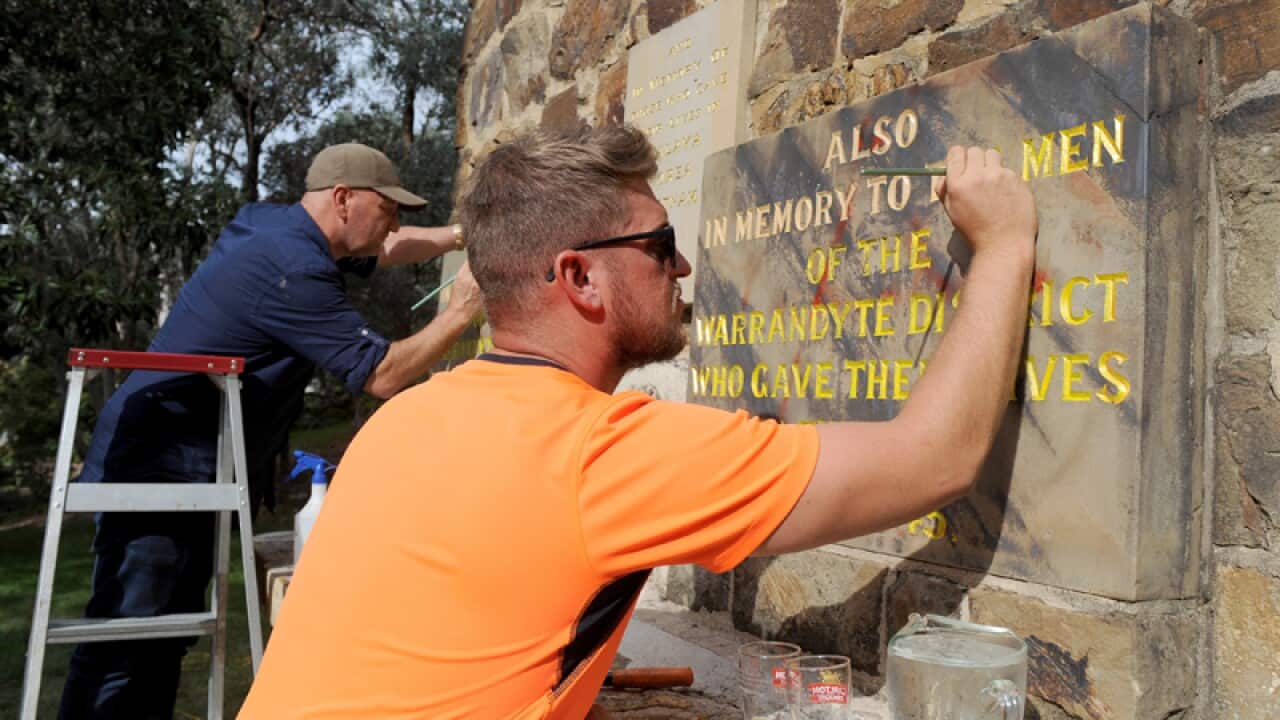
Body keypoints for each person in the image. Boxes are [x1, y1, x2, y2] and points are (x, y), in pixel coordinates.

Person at [239, 125, 1037, 719]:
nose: (684, 267)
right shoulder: (602, 452)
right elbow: (936, 458)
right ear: (580, 277)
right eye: (660, 245)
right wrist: (1002, 242)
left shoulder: (405, 419)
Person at [58, 143, 483, 720]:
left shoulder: (270, 225)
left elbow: (386, 251)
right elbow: (381, 373)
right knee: (130, 635)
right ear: (343, 200)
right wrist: (459, 313)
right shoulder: (295, 270)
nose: (394, 224)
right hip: (161, 461)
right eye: (388, 209)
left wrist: (462, 237)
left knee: (167, 636)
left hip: (180, 457)